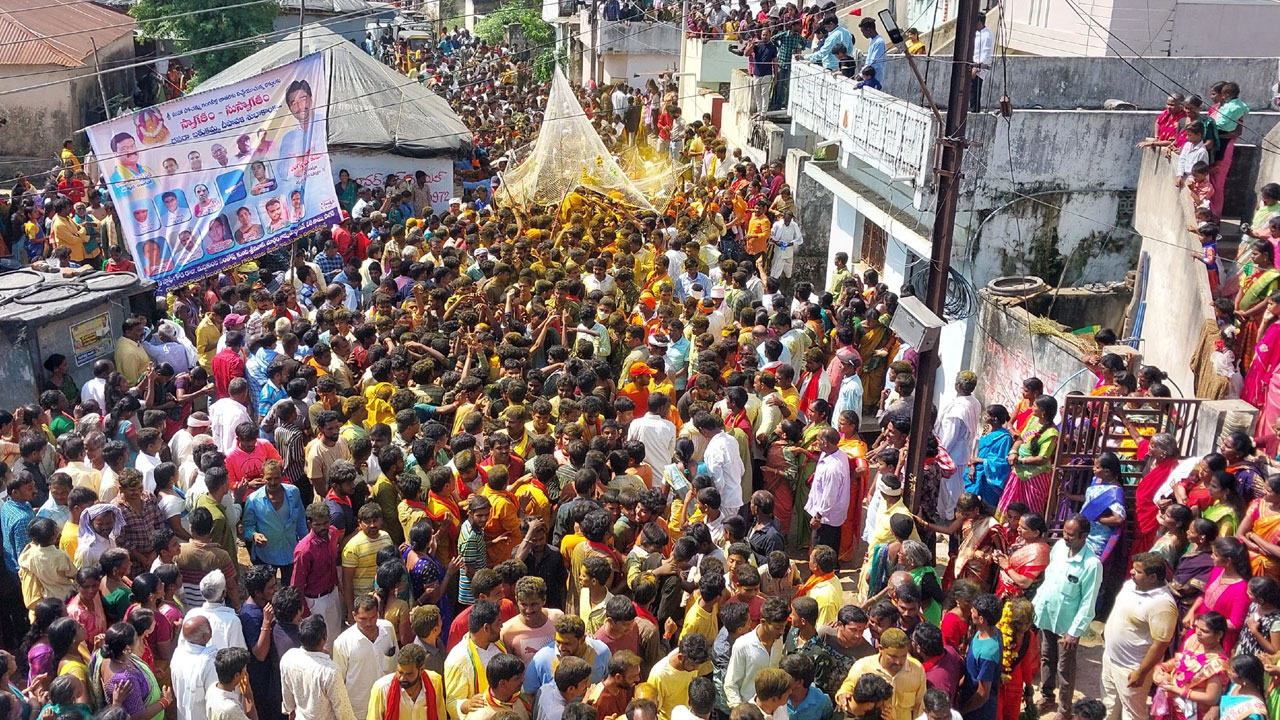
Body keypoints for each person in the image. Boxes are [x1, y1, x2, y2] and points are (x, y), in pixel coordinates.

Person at [1031, 514, 1102, 719]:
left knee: (1064, 669)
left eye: (1070, 535)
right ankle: (1046, 697)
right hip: (1046, 617)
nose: (1065, 538)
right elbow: (1049, 581)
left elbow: (1088, 603)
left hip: (1067, 626)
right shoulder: (1059, 549)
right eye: (1064, 533)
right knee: (1046, 658)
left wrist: (1074, 632)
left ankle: (1064, 710)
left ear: (1084, 536)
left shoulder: (1091, 564)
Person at [1101, 552, 1179, 720]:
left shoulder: (1163, 605)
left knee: (1132, 714)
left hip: (1131, 667)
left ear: (1152, 577)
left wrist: (1141, 673)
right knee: (1109, 705)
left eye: (1138, 571)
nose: (1132, 572)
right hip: (1110, 658)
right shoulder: (1130, 585)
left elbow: (1161, 644)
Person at [1153, 612, 1229, 720]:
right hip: (1172, 705)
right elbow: (1180, 660)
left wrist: (1178, 691)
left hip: (1193, 712)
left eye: (1204, 631)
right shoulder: (1194, 640)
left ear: (1219, 634)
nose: (1198, 632)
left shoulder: (1218, 664)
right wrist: (1162, 668)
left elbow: (1211, 698)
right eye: (1197, 627)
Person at [280, 615, 359, 720]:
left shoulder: (289, 658)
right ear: (324, 638)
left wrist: (289, 710)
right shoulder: (329, 671)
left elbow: (287, 698)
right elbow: (343, 711)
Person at [836, 628, 925, 720]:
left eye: (903, 656)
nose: (898, 662)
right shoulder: (862, 666)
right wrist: (843, 694)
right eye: (893, 656)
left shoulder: (917, 669)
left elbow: (920, 707)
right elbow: (848, 687)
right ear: (880, 649)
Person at [365, 644, 446, 720]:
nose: (403, 678)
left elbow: (441, 716)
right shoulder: (382, 688)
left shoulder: (434, 682)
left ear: (421, 670)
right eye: (400, 672)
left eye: (409, 674)